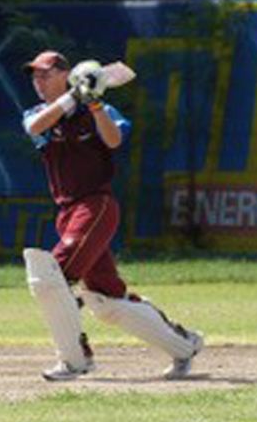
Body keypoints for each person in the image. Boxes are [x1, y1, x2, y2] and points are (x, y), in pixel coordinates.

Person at [21, 50, 203, 381]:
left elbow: (114, 139)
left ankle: (76, 360)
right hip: (67, 211)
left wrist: (92, 103)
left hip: (96, 205)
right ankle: (183, 345)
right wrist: (73, 96)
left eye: (45, 74)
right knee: (106, 300)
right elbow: (35, 126)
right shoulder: (38, 112)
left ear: (65, 73)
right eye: (34, 76)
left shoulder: (97, 109)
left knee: (50, 277)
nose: (38, 81)